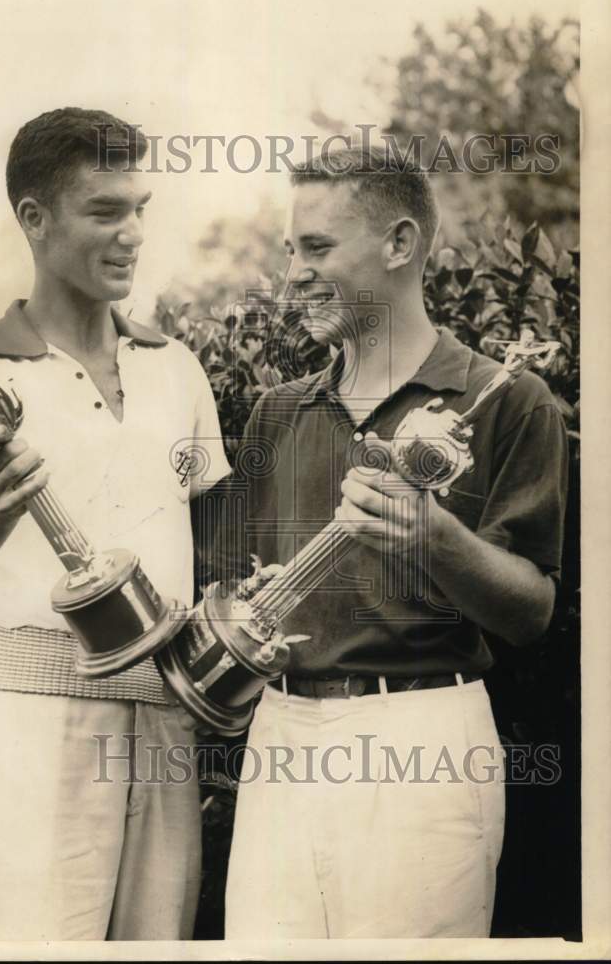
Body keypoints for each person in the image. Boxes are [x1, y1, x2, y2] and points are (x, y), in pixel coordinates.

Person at [216, 145, 568, 938]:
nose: (293, 272)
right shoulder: (276, 413)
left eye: (317, 248)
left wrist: (432, 537)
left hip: (423, 742)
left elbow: (532, 615)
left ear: (400, 244)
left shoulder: (508, 398)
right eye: (289, 251)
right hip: (280, 738)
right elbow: (236, 585)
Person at [0, 107, 230, 941]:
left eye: (139, 210)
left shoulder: (177, 370)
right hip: (32, 730)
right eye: (105, 212)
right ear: (34, 220)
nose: (131, 235)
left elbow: (215, 548)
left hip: (161, 727)